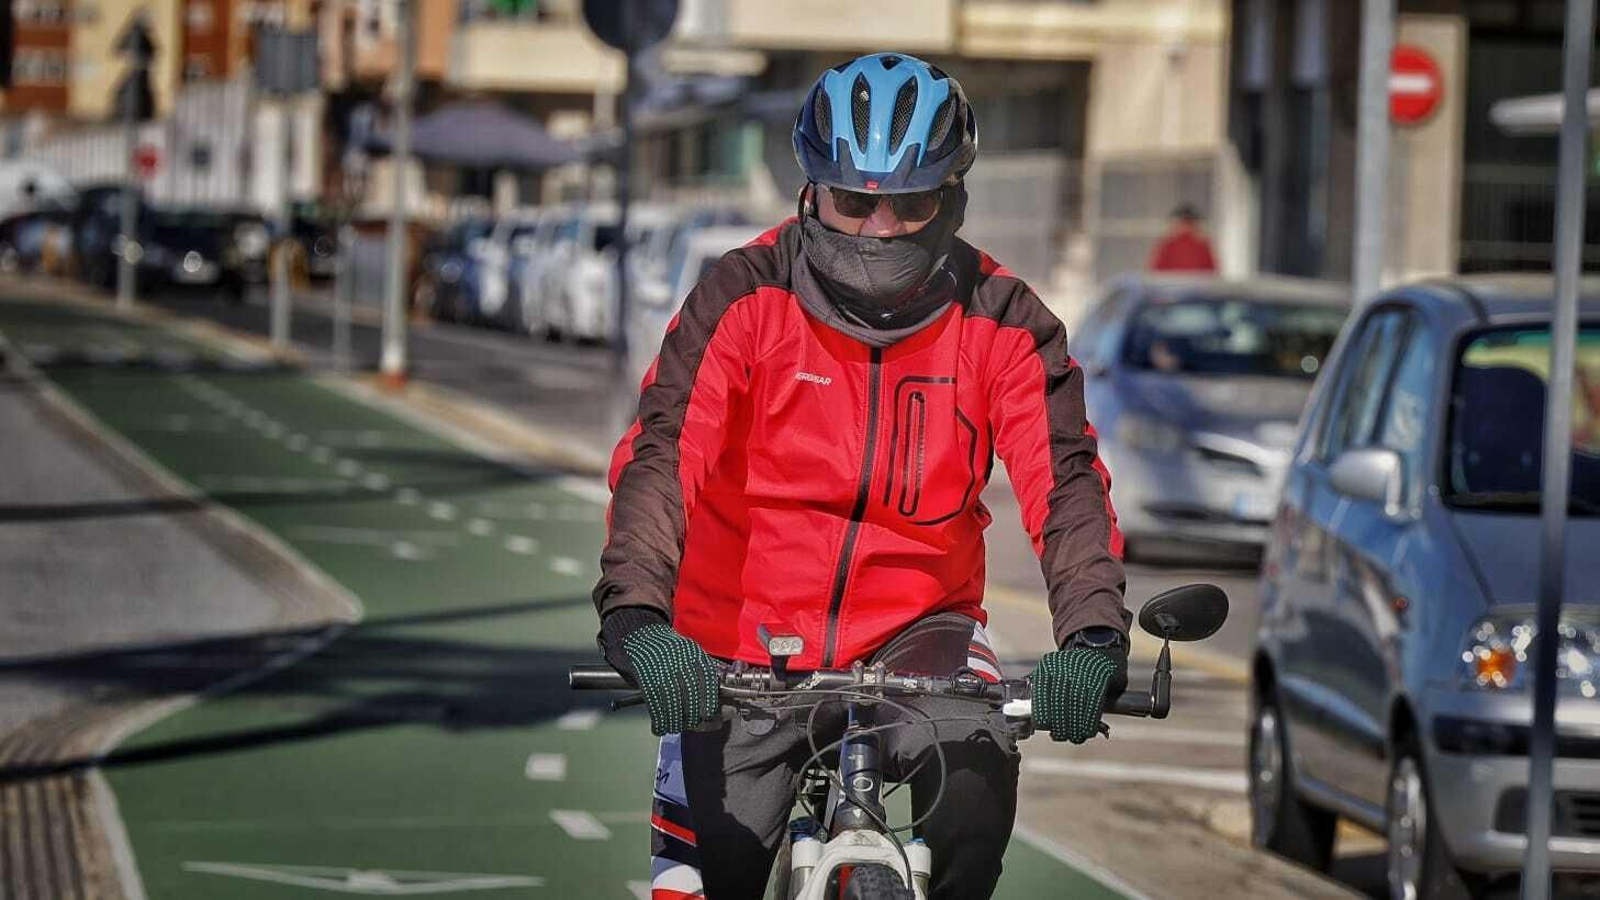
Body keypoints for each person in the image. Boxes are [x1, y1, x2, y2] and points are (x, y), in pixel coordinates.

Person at [592, 52, 1128, 900]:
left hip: (924, 635)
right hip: (737, 644)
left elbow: (1065, 484)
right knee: (698, 885)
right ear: (810, 193)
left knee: (978, 792)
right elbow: (663, 455)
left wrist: (1094, 636)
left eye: (910, 204)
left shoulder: (1006, 321)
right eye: (853, 200)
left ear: (953, 199)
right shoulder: (741, 296)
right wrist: (637, 614)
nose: (879, 228)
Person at [1148, 203, 1217, 273]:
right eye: (1183, 222)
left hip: (1197, 280)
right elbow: (1156, 270)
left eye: (1189, 222)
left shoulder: (1202, 245)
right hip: (1172, 279)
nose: (1185, 226)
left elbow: (1212, 271)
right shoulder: (1167, 244)